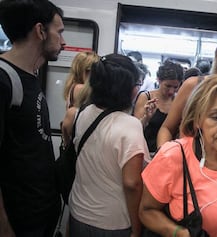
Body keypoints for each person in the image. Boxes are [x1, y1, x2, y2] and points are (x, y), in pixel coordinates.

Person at [139, 75, 217, 237]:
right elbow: (146, 210)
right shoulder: (173, 156)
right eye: (216, 117)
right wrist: (178, 232)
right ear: (198, 119)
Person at [0, 0, 66, 236]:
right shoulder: (4, 80)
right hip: (18, 223)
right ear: (40, 31)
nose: (63, 42)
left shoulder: (31, 76)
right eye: (59, 32)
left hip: (40, 216)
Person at [68, 54, 150, 237]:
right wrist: (137, 229)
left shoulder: (82, 113)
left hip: (78, 213)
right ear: (127, 89)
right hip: (113, 222)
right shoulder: (130, 125)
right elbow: (132, 183)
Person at [133, 60, 184, 156]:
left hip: (168, 153)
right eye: (168, 86)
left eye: (175, 87)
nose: (171, 91)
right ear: (159, 80)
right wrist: (147, 118)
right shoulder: (146, 97)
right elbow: (136, 129)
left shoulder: (178, 101)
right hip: (146, 152)